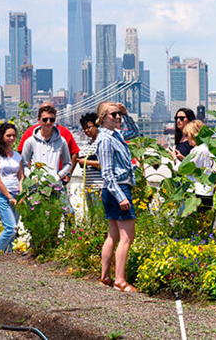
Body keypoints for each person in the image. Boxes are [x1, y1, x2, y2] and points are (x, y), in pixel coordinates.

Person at [96, 101, 137, 292]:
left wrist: (127, 114)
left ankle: (105, 277)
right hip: (117, 189)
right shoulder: (105, 140)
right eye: (114, 114)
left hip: (114, 190)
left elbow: (135, 132)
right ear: (103, 118)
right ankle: (120, 280)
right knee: (126, 236)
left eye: (119, 114)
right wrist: (121, 197)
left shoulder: (116, 135)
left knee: (112, 235)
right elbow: (107, 172)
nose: (118, 117)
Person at [18, 102, 79, 180]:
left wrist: (62, 175)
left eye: (52, 119)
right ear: (38, 119)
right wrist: (31, 176)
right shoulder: (29, 137)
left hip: (56, 184)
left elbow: (74, 155)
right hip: (36, 184)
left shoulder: (63, 137)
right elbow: (22, 159)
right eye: (45, 119)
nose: (48, 122)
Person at [0, 122, 24, 254]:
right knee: (11, 227)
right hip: (2, 195)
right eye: (8, 135)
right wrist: (9, 196)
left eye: (14, 136)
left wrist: (21, 194)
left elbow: (21, 177)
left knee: (13, 231)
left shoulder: (17, 156)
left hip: (16, 193)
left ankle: (7, 257)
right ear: (2, 136)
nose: (11, 138)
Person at [183, 119, 215, 210]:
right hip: (207, 191)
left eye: (187, 135)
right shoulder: (207, 148)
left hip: (198, 191)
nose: (186, 138)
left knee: (194, 220)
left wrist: (175, 160)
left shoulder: (199, 150)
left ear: (193, 135)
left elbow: (187, 170)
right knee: (204, 220)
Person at [78, 112, 103, 213]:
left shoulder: (101, 142)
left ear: (96, 125)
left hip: (99, 187)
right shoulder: (88, 144)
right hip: (88, 188)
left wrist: (86, 162)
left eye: (88, 127)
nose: (86, 131)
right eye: (84, 129)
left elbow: (104, 164)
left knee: (100, 216)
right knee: (92, 216)